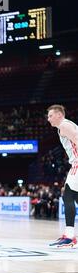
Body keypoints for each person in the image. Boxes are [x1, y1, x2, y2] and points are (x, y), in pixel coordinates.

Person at [47, 104, 78, 248]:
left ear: (59, 115)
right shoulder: (66, 126)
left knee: (68, 196)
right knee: (74, 197)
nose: (48, 119)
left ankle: (70, 236)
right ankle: (70, 235)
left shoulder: (64, 125)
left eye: (50, 115)